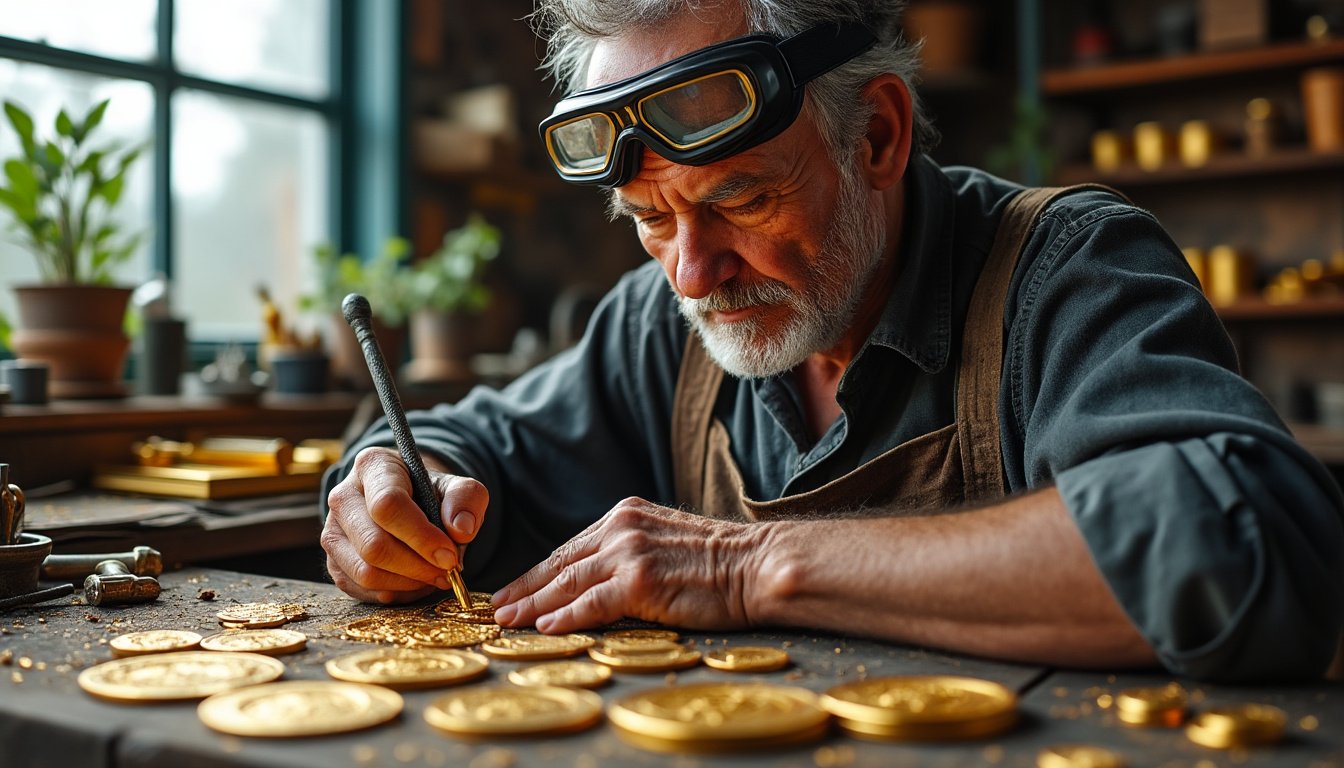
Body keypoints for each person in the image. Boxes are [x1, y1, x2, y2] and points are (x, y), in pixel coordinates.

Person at [321, 0, 1344, 682]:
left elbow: (1240, 535)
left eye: (743, 199)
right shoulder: (657, 328)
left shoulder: (1064, 269)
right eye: (650, 220)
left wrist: (752, 567)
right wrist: (392, 493)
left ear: (880, 138)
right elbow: (470, 449)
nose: (690, 272)